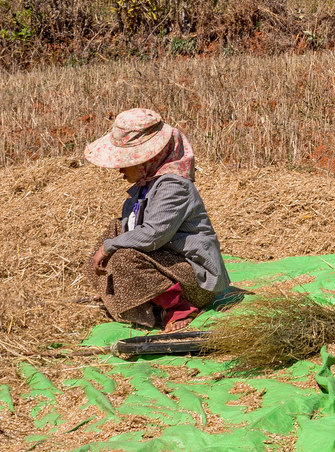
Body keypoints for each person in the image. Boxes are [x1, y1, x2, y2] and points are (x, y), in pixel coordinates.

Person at [85, 108, 230, 333]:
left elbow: (153, 235)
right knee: (114, 230)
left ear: (147, 160)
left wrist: (109, 248)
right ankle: (120, 292)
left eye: (125, 162)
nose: (120, 169)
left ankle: (180, 308)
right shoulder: (146, 186)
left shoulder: (174, 187)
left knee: (123, 257)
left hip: (195, 281)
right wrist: (109, 245)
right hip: (168, 265)